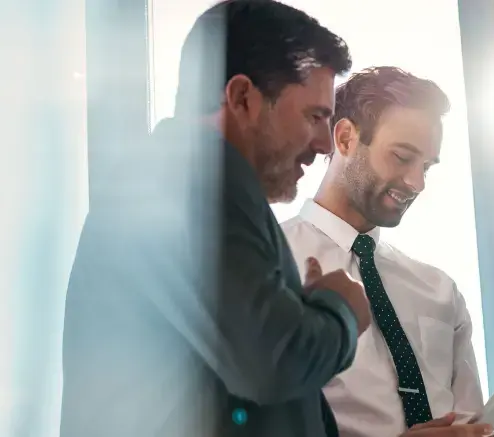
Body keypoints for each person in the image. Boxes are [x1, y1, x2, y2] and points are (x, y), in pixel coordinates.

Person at [60, 1, 371, 437]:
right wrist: (342, 309)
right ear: (243, 97)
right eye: (314, 116)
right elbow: (271, 360)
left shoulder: (179, 179)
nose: (324, 144)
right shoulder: (190, 177)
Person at [280, 67, 494, 437]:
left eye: (426, 166)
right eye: (402, 157)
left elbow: (477, 428)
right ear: (344, 138)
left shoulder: (438, 289)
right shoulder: (270, 267)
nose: (416, 182)